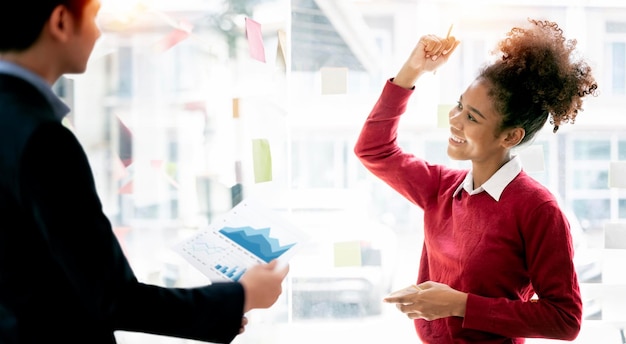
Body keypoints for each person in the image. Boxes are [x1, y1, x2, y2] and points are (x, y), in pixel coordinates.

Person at [0, 1, 289, 343]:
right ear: (61, 21)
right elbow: (113, 298)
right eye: (93, 18)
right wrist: (242, 296)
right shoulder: (42, 138)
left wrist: (219, 310)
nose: (99, 31)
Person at [354, 18, 598, 343]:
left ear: (510, 135)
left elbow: (565, 320)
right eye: (459, 106)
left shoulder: (538, 209)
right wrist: (412, 70)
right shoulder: (440, 188)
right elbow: (374, 148)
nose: (454, 120)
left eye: (472, 117)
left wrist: (459, 304)